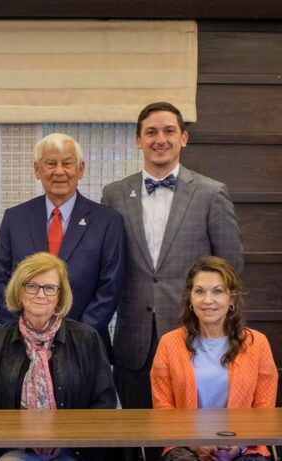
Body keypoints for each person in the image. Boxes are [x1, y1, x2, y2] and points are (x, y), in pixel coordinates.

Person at [102, 102, 244, 410]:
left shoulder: (211, 193)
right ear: (138, 140)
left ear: (183, 138)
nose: (160, 139)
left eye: (169, 131)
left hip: (194, 336)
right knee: (136, 430)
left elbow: (231, 266)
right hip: (134, 342)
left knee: (189, 430)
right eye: (151, 132)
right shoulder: (114, 194)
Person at [0, 252, 117, 461]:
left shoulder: (86, 339)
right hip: (13, 448)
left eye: (50, 288)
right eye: (32, 286)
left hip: (73, 450)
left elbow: (104, 402)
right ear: (19, 291)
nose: (40, 294)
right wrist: (17, 435)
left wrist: (64, 437)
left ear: (60, 296)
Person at [0, 134, 124, 357]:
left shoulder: (107, 221)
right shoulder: (15, 218)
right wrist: (23, 332)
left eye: (67, 163)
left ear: (80, 169)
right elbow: (1, 280)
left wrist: (76, 337)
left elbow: (110, 286)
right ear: (37, 169)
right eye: (51, 164)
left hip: (85, 346)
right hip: (24, 346)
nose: (59, 171)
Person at [151, 257, 277, 461]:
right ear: (190, 298)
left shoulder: (257, 343)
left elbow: (264, 409)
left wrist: (238, 445)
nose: (207, 300)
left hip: (246, 445)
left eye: (217, 291)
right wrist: (195, 443)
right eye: (200, 291)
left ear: (231, 299)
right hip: (184, 443)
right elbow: (163, 408)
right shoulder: (169, 343)